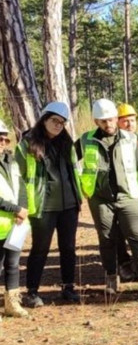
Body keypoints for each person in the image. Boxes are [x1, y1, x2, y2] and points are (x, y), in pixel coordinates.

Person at [79, 99, 138, 294]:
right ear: (95, 121)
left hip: (129, 196)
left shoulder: (130, 138)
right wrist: (81, 185)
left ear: (116, 118)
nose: (107, 124)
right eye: (102, 121)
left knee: (137, 236)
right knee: (107, 238)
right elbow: (69, 161)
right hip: (100, 199)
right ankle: (111, 278)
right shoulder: (85, 139)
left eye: (110, 120)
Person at [18, 102, 83, 307]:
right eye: (55, 120)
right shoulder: (27, 144)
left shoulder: (67, 143)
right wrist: (21, 204)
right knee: (40, 249)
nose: (58, 125)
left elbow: (73, 172)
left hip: (69, 205)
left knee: (68, 248)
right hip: (43, 206)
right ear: (44, 119)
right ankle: (32, 292)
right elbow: (18, 176)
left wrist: (78, 198)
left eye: (62, 123)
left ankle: (68, 287)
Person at [113, 103, 138, 280]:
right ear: (117, 123)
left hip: (137, 195)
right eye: (125, 121)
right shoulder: (113, 142)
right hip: (118, 196)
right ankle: (124, 263)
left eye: (132, 120)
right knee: (118, 232)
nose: (130, 124)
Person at [0, 120, 29, 318]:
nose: (2, 142)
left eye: (4, 139)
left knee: (12, 264)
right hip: (4, 220)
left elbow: (21, 188)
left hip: (15, 224)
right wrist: (16, 208)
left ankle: (12, 303)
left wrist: (23, 208)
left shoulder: (12, 162)